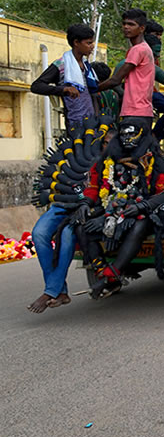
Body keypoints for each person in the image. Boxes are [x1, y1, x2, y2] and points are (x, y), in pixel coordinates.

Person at [27, 23, 100, 314]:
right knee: (41, 234)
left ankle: (52, 291)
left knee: (69, 234)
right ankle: (59, 291)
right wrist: (63, 89)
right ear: (75, 43)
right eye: (86, 42)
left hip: (90, 141)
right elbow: (36, 86)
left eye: (92, 42)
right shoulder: (62, 65)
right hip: (77, 136)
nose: (91, 46)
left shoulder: (90, 68)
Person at [77, 119, 164, 298]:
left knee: (140, 224)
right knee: (81, 226)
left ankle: (111, 275)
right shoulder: (105, 161)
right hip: (111, 208)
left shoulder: (154, 160)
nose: (127, 138)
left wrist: (143, 206)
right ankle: (102, 270)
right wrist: (85, 203)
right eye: (124, 134)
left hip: (144, 212)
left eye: (131, 134)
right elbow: (92, 188)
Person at [98, 9, 155, 139]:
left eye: (130, 24)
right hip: (143, 111)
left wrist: (93, 88)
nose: (126, 27)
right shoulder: (145, 49)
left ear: (141, 28)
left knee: (129, 153)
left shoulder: (138, 50)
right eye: (124, 24)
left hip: (135, 111)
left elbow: (115, 80)